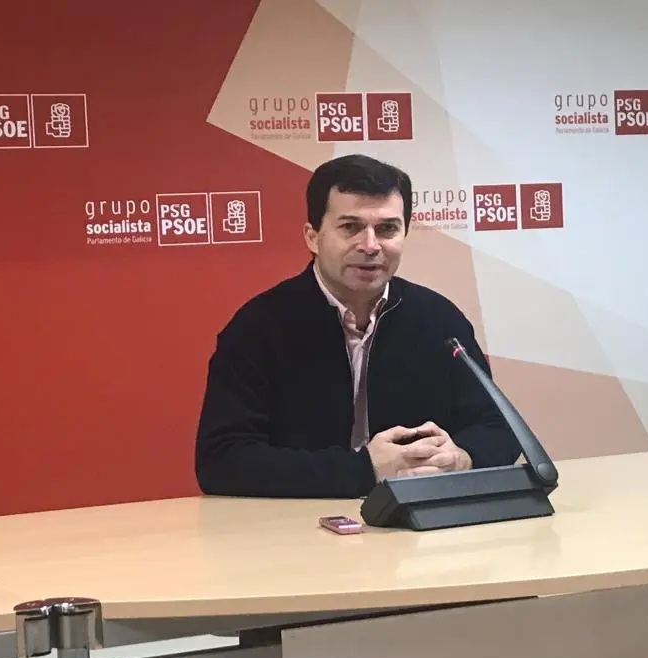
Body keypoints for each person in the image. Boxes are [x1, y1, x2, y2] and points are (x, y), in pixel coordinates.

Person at [193, 153, 522, 498]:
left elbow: (500, 428)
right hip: (295, 521)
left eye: (387, 229)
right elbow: (222, 461)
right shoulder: (258, 326)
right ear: (313, 236)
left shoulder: (440, 319)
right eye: (350, 227)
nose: (370, 246)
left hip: (415, 520)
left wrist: (462, 459)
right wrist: (365, 470)